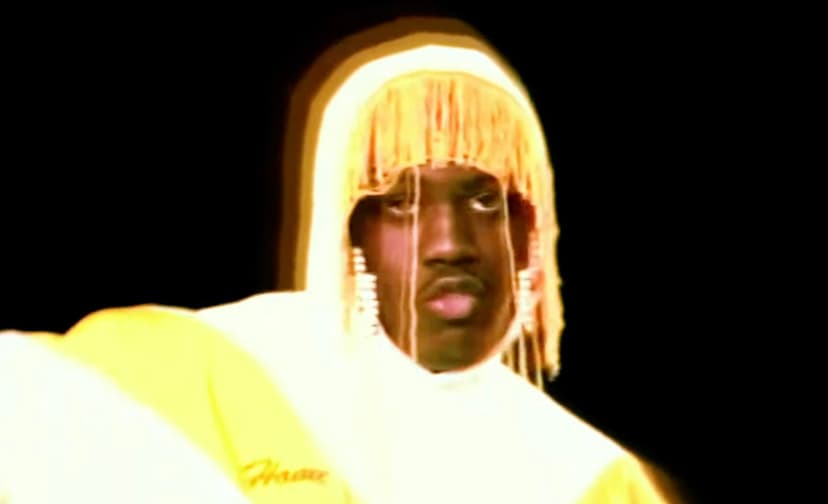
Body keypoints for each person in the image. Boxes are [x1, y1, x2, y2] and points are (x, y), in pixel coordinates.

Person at [1, 17, 678, 503]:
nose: (450, 244)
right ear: (347, 232)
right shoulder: (204, 365)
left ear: (533, 233)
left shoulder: (594, 478)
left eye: (485, 200)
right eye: (399, 203)